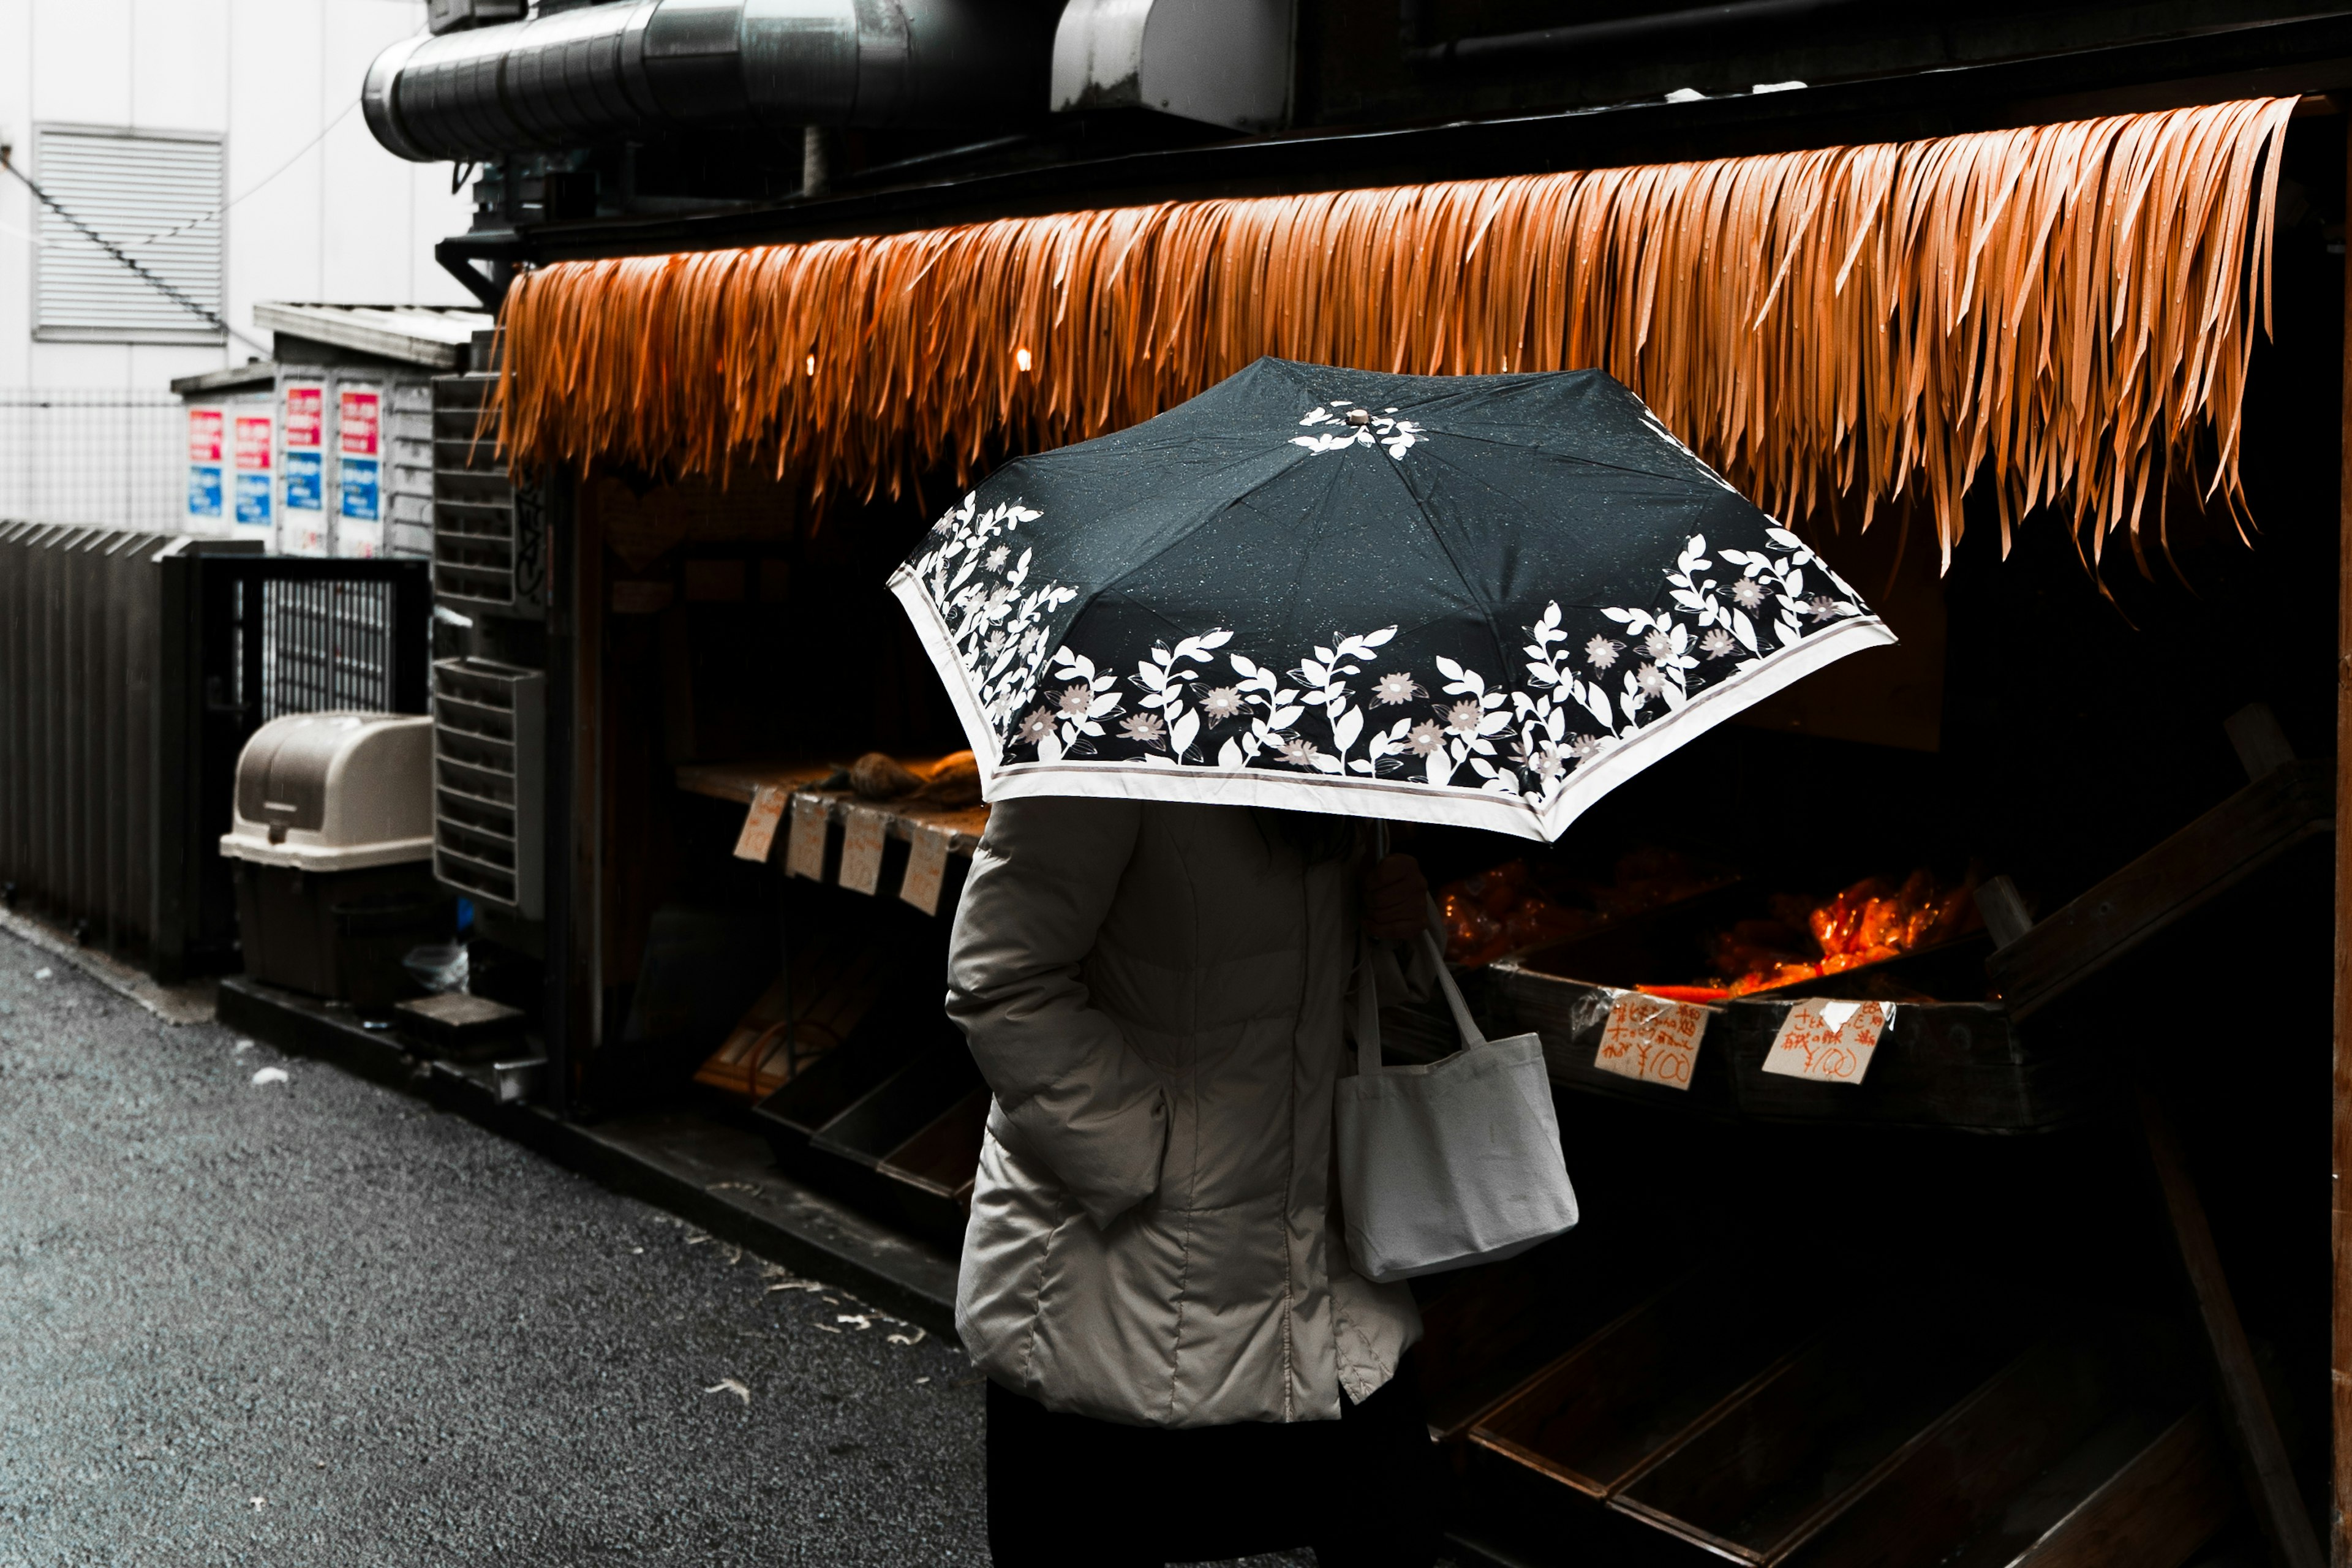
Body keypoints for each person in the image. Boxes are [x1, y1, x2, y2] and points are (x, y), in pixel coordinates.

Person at [946, 796, 1444, 1567]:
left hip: (1315, 1260)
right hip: (1114, 1272)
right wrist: (1140, 1153)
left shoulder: (1335, 751)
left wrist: (1400, 928)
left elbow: (1351, 1000)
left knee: (1391, 1519)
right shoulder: (1108, 745)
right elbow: (1002, 979)